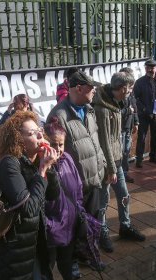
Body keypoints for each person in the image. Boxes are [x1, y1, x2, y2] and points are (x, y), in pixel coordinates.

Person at [0, 110, 67, 280]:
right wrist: (42, 170)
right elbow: (29, 208)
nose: (40, 137)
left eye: (40, 132)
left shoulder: (32, 160)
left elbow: (52, 194)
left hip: (31, 240)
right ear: (18, 139)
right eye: (33, 134)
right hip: (10, 245)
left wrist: (48, 167)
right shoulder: (9, 165)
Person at [47, 71, 106, 241]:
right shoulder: (58, 116)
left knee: (93, 222)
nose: (94, 90)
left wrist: (103, 165)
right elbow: (56, 157)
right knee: (77, 228)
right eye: (91, 87)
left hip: (94, 180)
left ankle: (90, 253)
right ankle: (79, 259)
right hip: (76, 186)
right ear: (79, 88)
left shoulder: (89, 110)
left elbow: (95, 141)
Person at [94, 72, 146, 253]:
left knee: (124, 195)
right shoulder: (102, 107)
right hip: (106, 164)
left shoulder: (117, 103)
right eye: (130, 88)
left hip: (116, 162)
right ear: (123, 88)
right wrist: (110, 167)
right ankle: (102, 232)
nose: (131, 92)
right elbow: (105, 140)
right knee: (103, 200)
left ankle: (125, 226)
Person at [41, 121, 88, 280]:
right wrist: (49, 225)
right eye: (54, 144)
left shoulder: (68, 158)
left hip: (69, 222)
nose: (58, 149)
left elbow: (78, 187)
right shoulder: (41, 166)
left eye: (61, 144)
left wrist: (78, 212)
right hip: (51, 228)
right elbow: (38, 202)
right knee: (47, 265)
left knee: (67, 260)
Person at [134, 59, 156, 167]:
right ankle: (139, 160)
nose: (150, 70)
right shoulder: (139, 82)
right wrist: (143, 109)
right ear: (145, 68)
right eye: (148, 67)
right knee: (142, 138)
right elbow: (135, 97)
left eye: (152, 67)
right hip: (144, 115)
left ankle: (153, 156)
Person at [118, 67, 139, 183]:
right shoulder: (118, 92)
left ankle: (124, 173)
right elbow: (116, 112)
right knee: (120, 152)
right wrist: (128, 111)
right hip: (119, 128)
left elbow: (134, 106)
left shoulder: (130, 91)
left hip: (128, 126)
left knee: (126, 151)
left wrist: (136, 121)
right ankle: (119, 174)